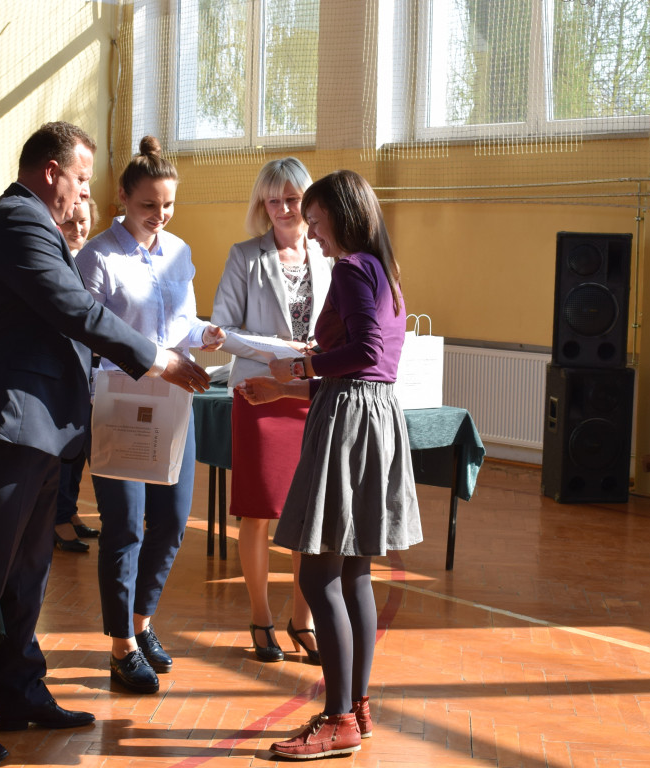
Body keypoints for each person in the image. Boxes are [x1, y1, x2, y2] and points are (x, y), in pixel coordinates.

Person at [0, 122, 211, 762]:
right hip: (4, 426)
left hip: (41, 429)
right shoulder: (17, 221)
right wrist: (156, 360)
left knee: (26, 575)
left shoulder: (42, 228)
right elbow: (73, 311)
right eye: (82, 179)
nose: (84, 195)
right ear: (52, 171)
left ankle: (22, 693)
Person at [238, 170, 422, 759]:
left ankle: (338, 716)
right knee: (353, 573)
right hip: (374, 416)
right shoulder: (383, 269)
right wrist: (287, 389)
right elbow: (369, 367)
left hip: (347, 423)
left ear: (343, 216)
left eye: (316, 223)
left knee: (319, 574)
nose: (311, 235)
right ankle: (356, 708)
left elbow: (361, 354)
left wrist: (297, 369)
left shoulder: (350, 269)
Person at [75, 135, 224, 696]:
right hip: (120, 403)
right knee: (124, 527)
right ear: (122, 197)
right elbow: (85, 335)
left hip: (174, 401)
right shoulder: (97, 257)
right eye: (148, 206)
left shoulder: (179, 252)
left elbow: (179, 325)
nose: (159, 216)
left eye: (168, 206)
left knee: (173, 519)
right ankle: (121, 647)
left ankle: (141, 623)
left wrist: (202, 333)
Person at [211, 158, 331, 664]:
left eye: (293, 198)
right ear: (262, 204)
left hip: (312, 395)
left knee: (311, 512)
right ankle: (260, 617)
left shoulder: (330, 256)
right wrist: (282, 354)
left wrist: (312, 361)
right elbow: (221, 332)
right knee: (258, 512)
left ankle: (301, 619)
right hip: (260, 394)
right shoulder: (245, 257)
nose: (283, 208)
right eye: (273, 199)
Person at [54, 197, 101, 554]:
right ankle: (55, 518)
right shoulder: (57, 261)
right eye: (70, 223)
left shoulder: (86, 260)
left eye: (83, 222)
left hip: (89, 372)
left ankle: (68, 511)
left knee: (79, 451)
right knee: (63, 451)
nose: (78, 229)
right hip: (62, 373)